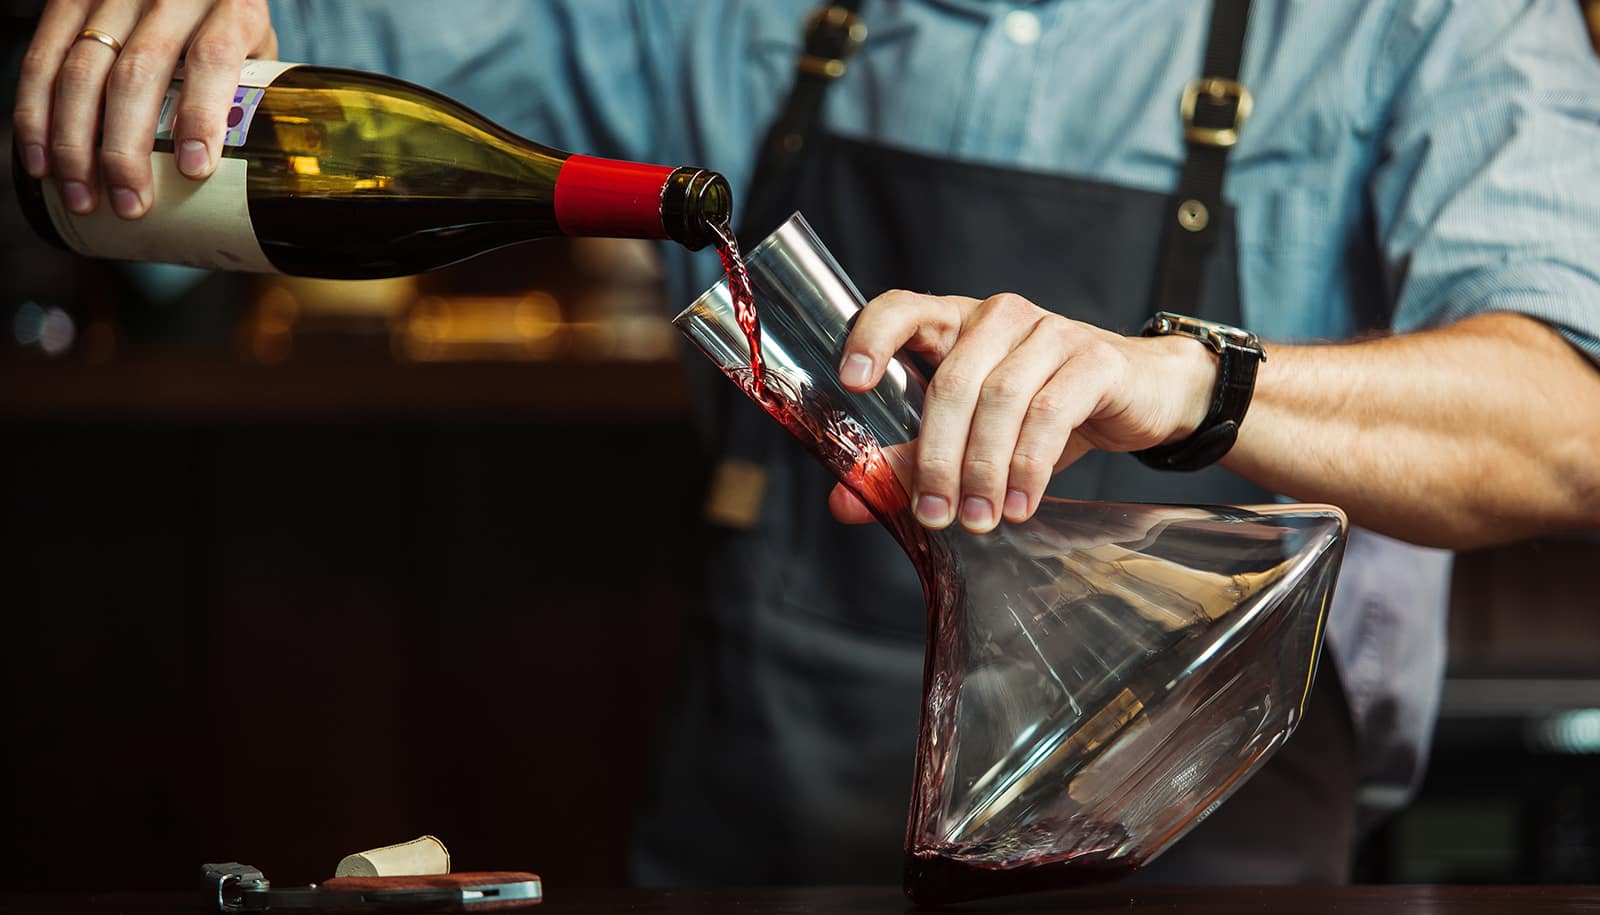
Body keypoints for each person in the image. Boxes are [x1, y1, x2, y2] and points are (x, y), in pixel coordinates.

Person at [15, 0, 1600, 887]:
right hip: (757, 847)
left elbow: (1570, 426)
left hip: (1212, 857)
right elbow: (281, 78)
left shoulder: (1419, 20)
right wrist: (194, 36)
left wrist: (1192, 383)